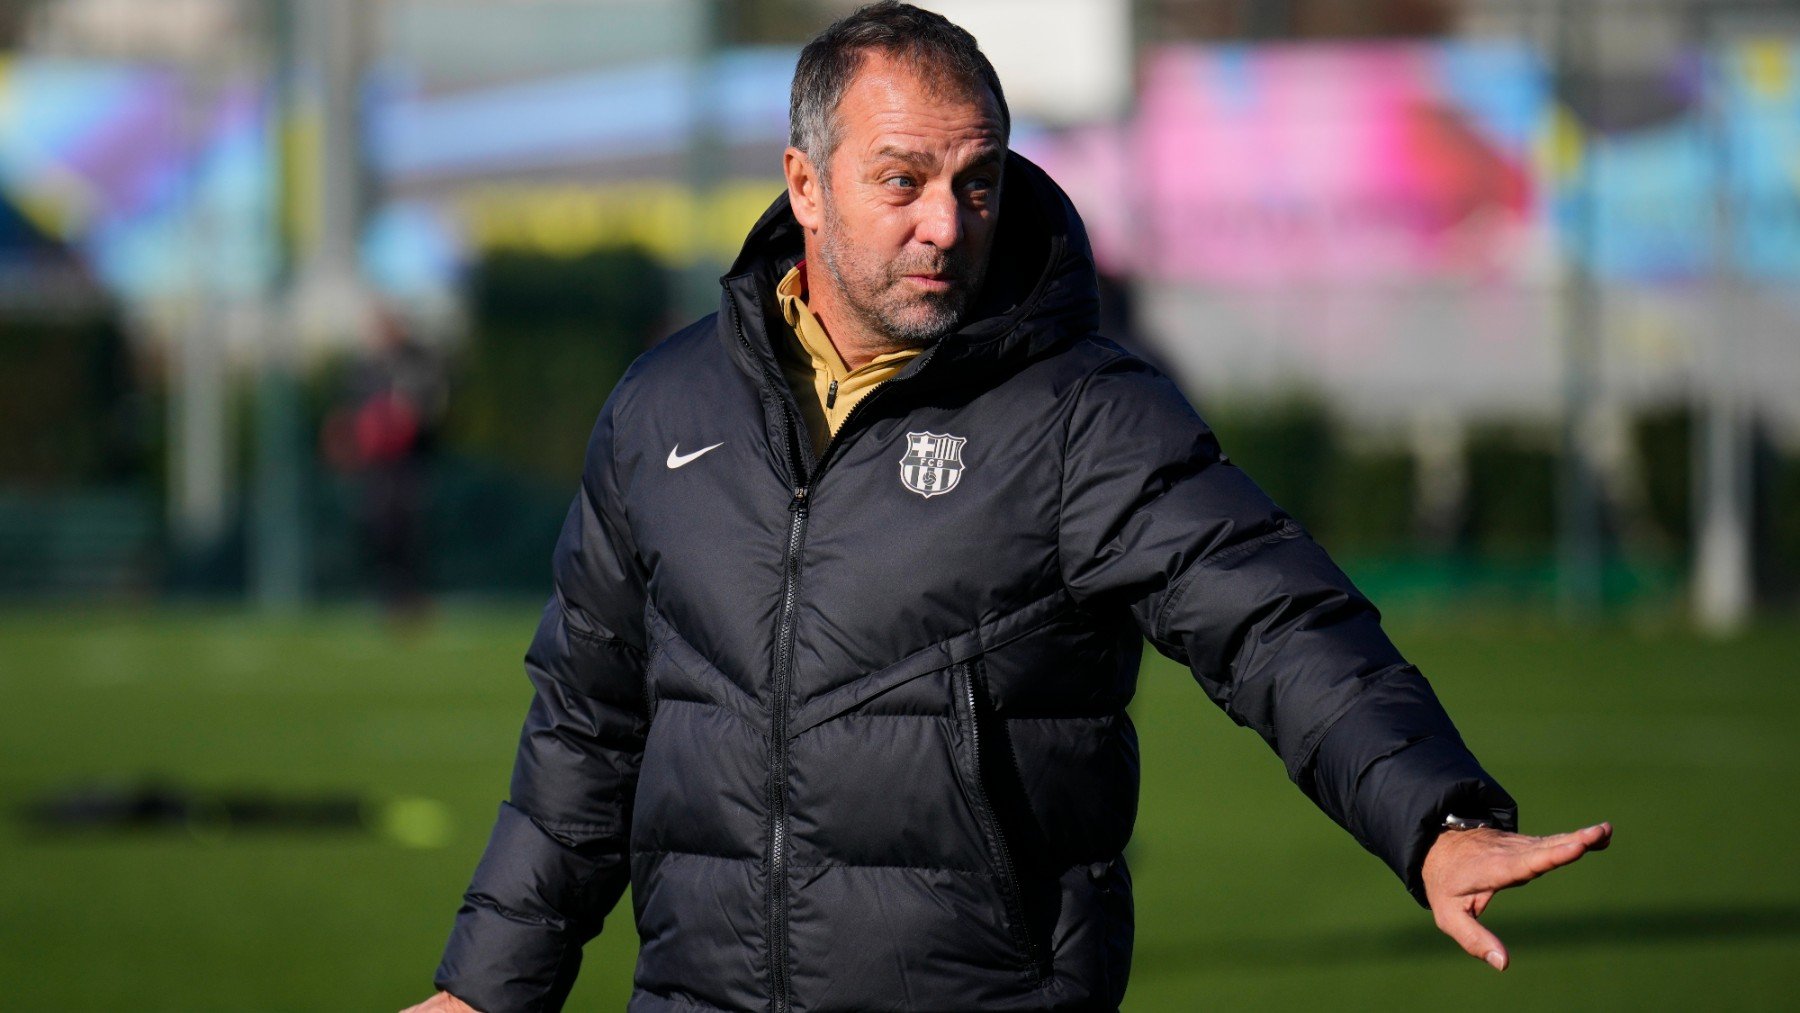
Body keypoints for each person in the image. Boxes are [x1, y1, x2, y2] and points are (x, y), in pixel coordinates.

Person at [404, 4, 1610, 1011]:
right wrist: (484, 987)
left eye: (977, 182)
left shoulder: (1082, 412)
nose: (948, 222)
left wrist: (1434, 815)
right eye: (904, 180)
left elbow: (1277, 621)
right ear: (804, 186)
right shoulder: (662, 408)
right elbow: (587, 728)